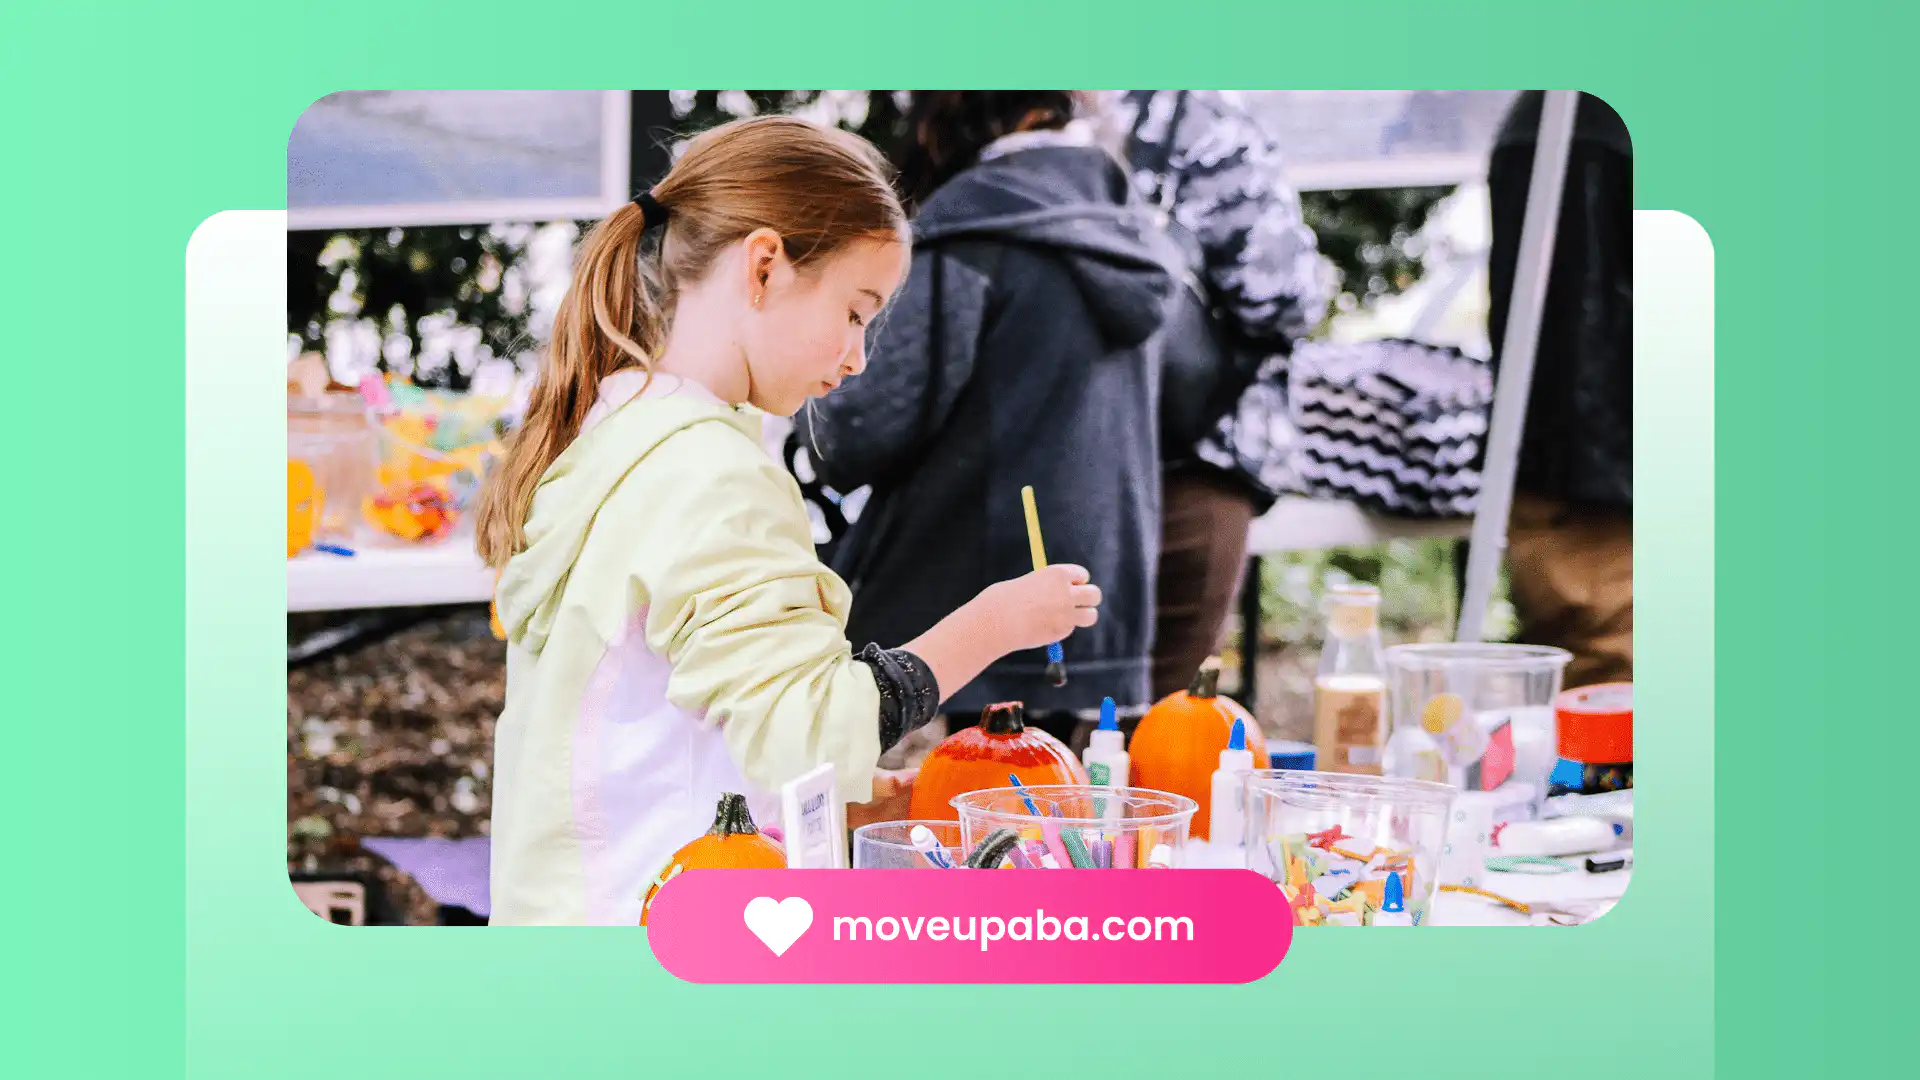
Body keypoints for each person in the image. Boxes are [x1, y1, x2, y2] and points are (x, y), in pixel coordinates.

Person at [474, 116, 1102, 925]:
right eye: (855, 311)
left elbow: (684, 706)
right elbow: (807, 731)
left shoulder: (619, 433)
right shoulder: (712, 476)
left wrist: (825, 792)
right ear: (765, 266)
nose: (859, 357)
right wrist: (993, 624)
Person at [793, 92, 1174, 745]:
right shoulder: (1137, 234)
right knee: (1053, 827)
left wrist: (809, 414)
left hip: (955, 617)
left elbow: (864, 426)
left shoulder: (971, 228)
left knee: (943, 828)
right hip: (1099, 601)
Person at [1108, 90, 1332, 701]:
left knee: (1018, 729)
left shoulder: (992, 110)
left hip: (1033, 462)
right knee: (1157, 722)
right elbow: (1282, 294)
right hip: (1182, 457)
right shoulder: (1195, 118)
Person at [1485, 91, 1632, 687]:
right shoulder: (1589, 128)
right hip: (1594, 477)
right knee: (1610, 681)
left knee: (1598, 675)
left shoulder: (1562, 121)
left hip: (1573, 467)